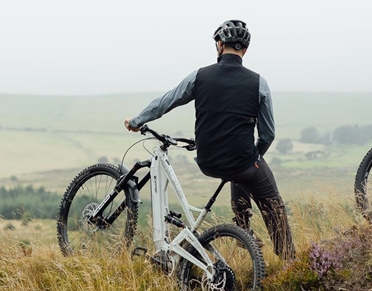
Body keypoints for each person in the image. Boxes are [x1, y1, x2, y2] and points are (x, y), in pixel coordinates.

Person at [124, 20, 295, 259]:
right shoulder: (259, 84)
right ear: (244, 50)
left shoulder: (199, 77)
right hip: (242, 161)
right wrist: (255, 156)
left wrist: (137, 120)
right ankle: (289, 260)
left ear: (220, 45)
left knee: (241, 171)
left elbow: (166, 102)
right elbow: (268, 134)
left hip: (207, 161)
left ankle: (244, 231)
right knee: (269, 198)